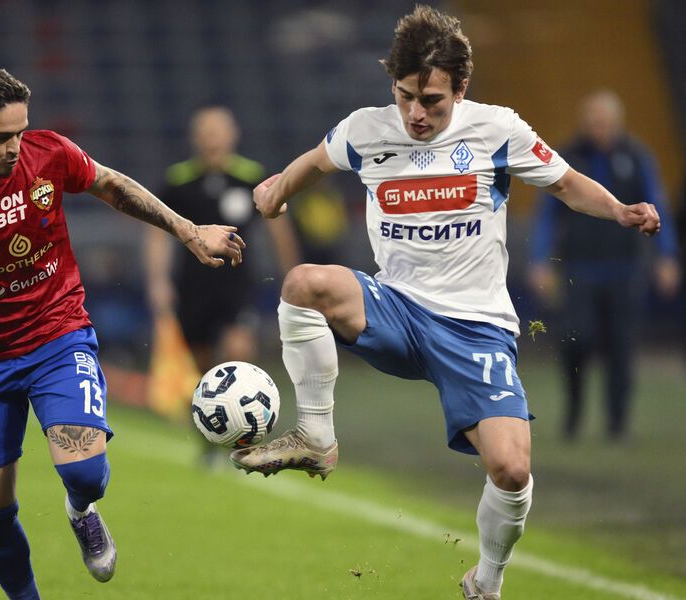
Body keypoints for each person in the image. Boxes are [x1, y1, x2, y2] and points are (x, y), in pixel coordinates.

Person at [228, 6, 662, 600]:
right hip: (397, 309)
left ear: (461, 88)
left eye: (431, 100)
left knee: (512, 470)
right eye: (405, 96)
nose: (415, 113)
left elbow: (564, 183)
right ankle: (316, 435)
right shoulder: (366, 129)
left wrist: (618, 209)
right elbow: (314, 162)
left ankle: (485, 581)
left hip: (476, 329)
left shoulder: (497, 129)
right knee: (303, 284)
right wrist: (278, 189)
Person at [0, 66, 245, 600]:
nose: (15, 146)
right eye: (1, 137)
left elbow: (111, 185)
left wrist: (189, 232)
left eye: (20, 131)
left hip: (56, 336)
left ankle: (81, 511)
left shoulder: (47, 152)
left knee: (86, 475)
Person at [528, 90, 680, 442]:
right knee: (575, 342)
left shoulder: (637, 157)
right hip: (579, 270)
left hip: (625, 269)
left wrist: (667, 256)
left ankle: (617, 425)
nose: (600, 128)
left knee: (621, 348)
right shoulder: (568, 158)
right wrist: (539, 259)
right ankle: (574, 415)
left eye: (606, 122)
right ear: (584, 123)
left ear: (618, 123)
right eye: (594, 122)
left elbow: (656, 204)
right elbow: (547, 214)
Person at [144, 105, 299, 376]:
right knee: (197, 362)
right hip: (193, 282)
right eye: (205, 132)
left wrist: (292, 275)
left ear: (233, 134)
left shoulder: (253, 177)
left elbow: (279, 229)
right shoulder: (177, 181)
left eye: (217, 131)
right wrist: (158, 280)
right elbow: (157, 234)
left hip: (237, 280)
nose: (211, 138)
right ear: (194, 137)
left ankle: (242, 398)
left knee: (239, 350)